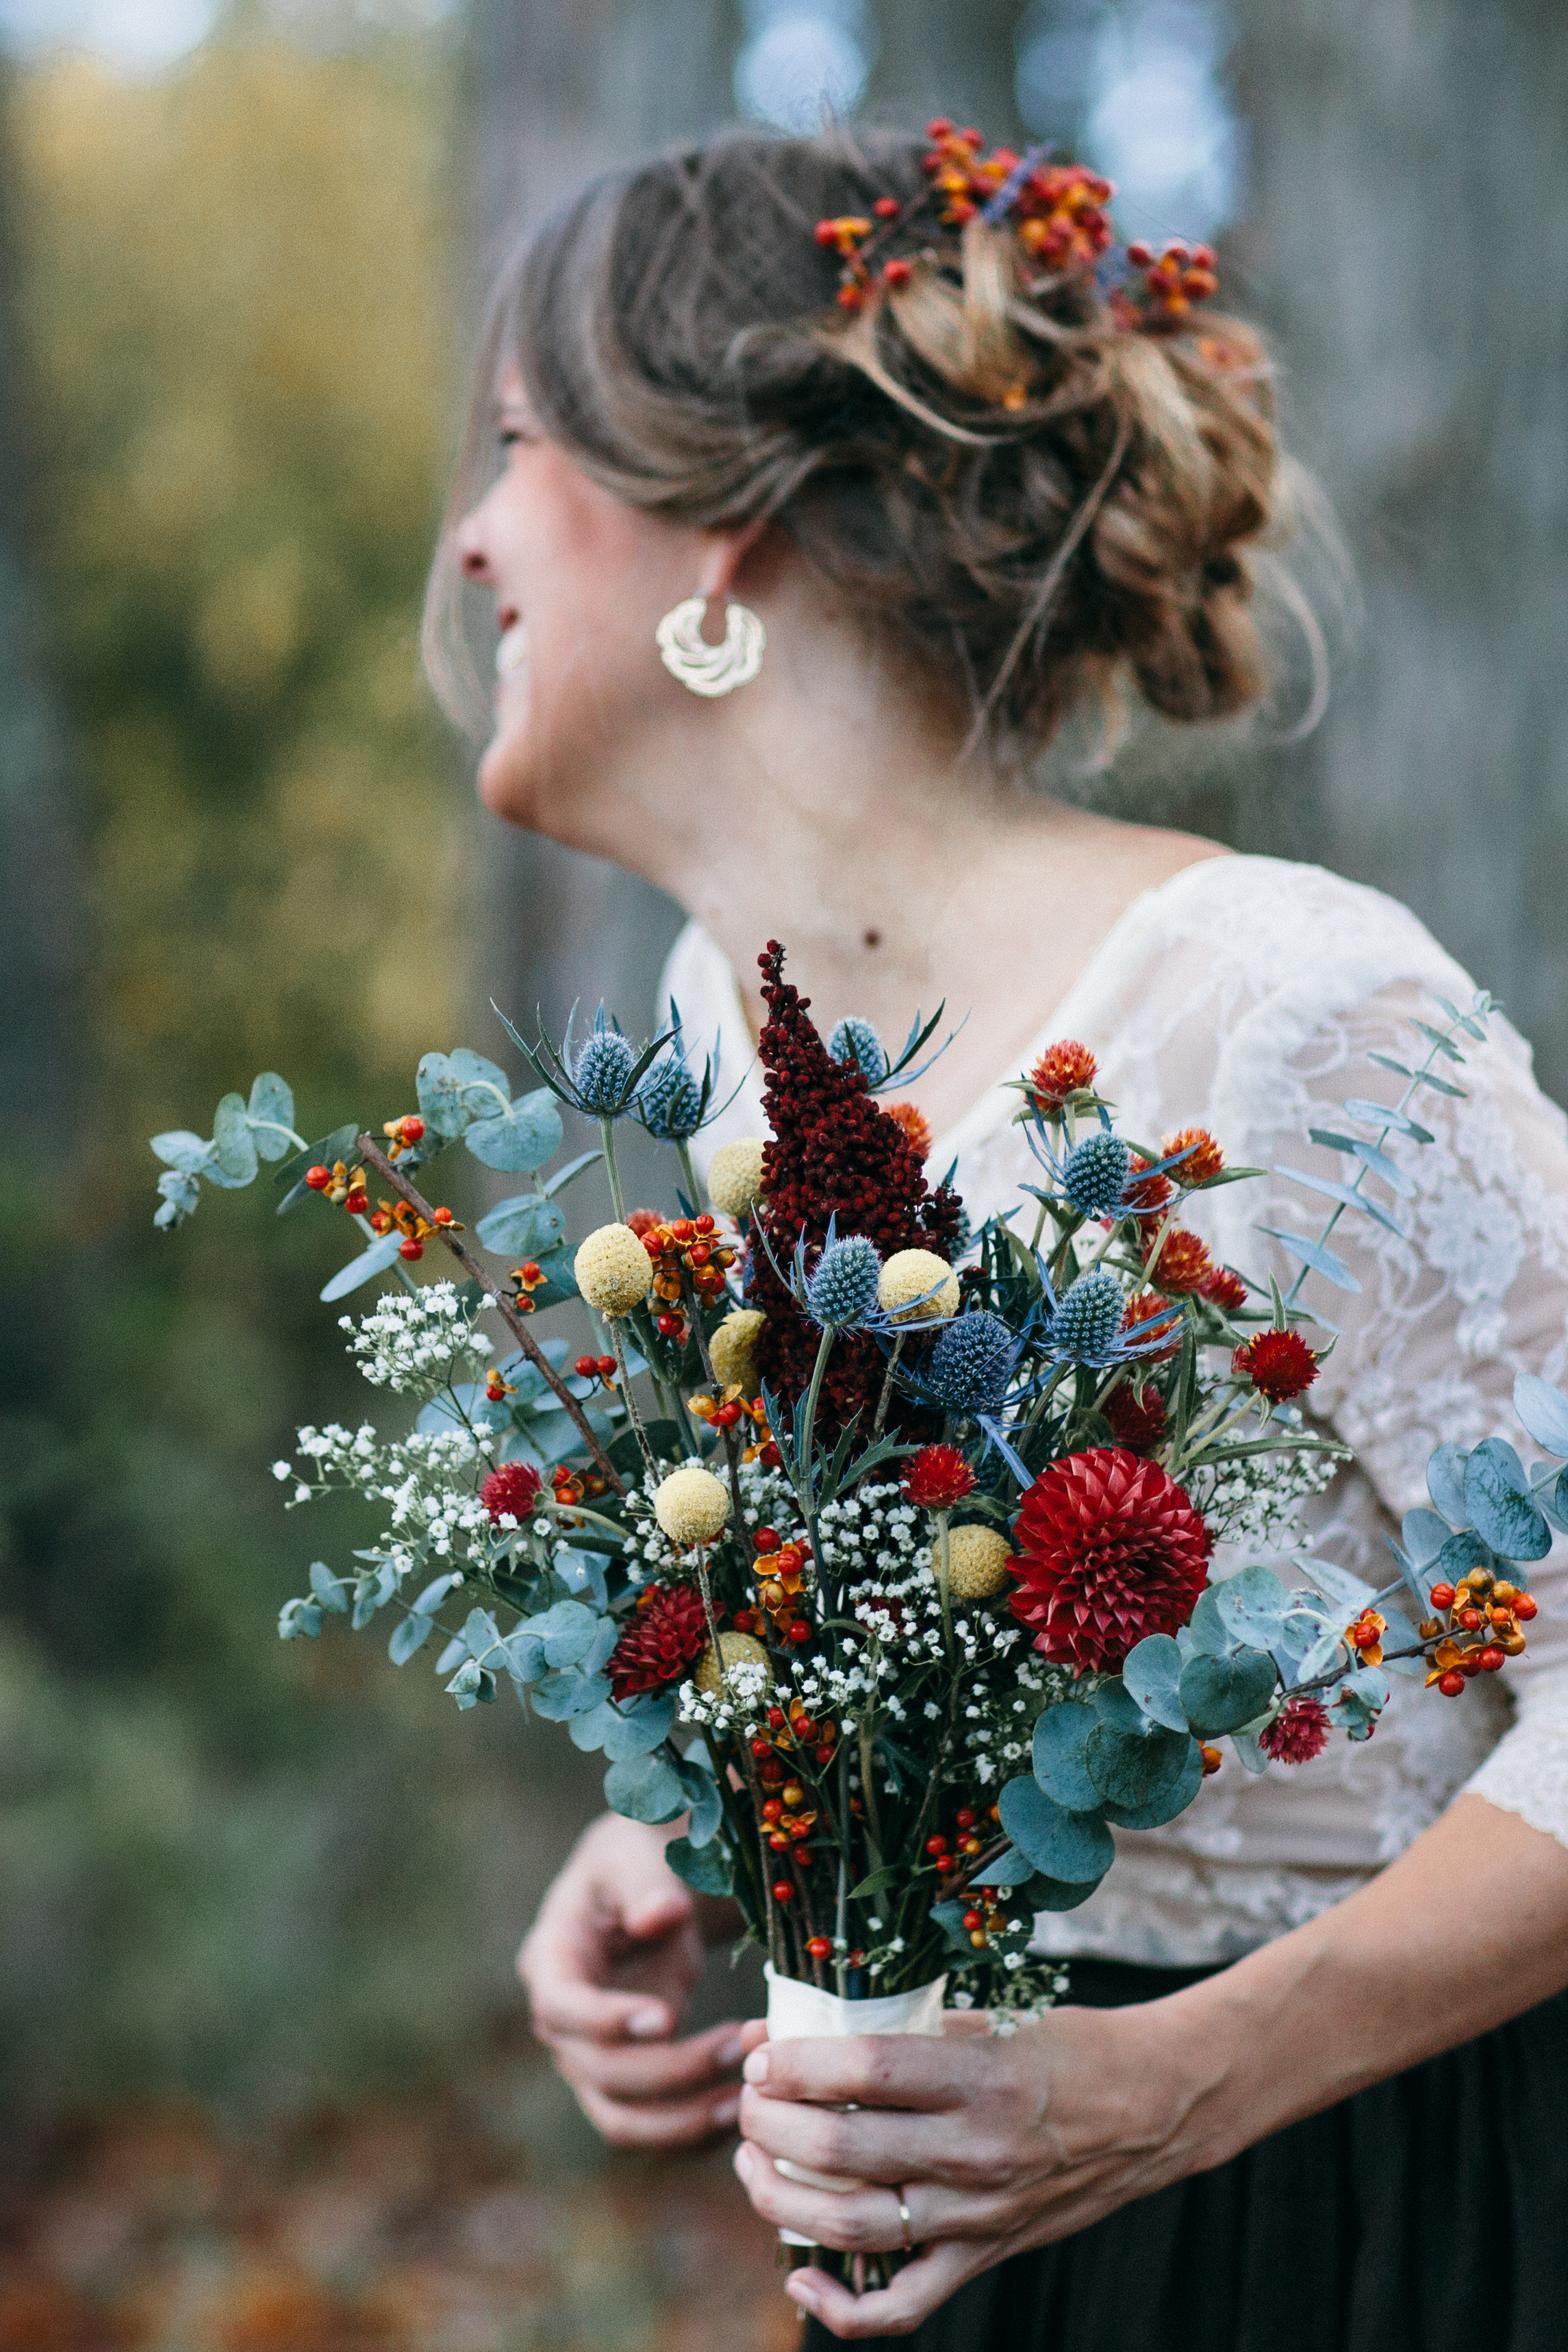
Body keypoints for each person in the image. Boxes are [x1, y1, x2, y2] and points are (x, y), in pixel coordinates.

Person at [429, 125, 1568, 2348]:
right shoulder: (722, 1032)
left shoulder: (1287, 1011)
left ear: (719, 525)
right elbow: (949, 1630)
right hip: (980, 2261)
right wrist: (704, 1843)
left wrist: (1177, 2083)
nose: (470, 540)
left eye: (512, 449)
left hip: (1363, 2235)